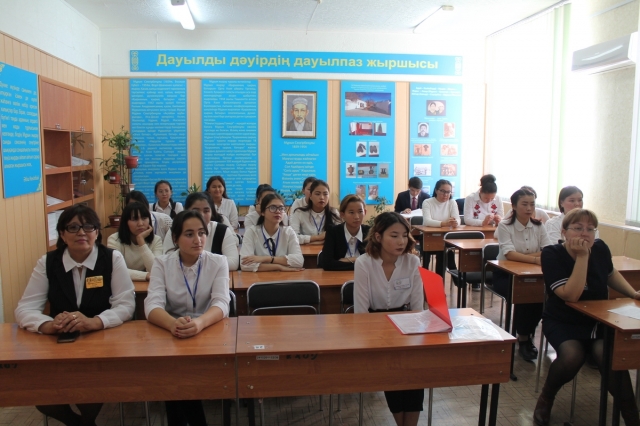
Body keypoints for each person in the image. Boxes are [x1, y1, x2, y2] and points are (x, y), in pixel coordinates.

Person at [15, 205, 135, 426]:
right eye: (73, 227)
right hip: (59, 346)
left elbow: (126, 304)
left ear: (97, 232)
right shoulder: (48, 262)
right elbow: (24, 308)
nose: (81, 233)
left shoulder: (112, 259)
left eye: (88, 227)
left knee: (89, 391)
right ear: (62, 234)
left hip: (101, 345)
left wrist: (96, 322)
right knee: (40, 396)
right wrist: (47, 325)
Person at [535, 209, 640, 426]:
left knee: (608, 355)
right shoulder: (552, 254)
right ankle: (546, 397)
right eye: (578, 228)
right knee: (572, 355)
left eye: (590, 229)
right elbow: (571, 295)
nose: (585, 233)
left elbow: (611, 273)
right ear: (564, 231)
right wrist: (583, 257)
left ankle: (631, 415)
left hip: (598, 320)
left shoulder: (600, 248)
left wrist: (633, 293)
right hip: (563, 320)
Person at [145, 210, 230, 426]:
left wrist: (199, 323)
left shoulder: (218, 262)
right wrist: (172, 324)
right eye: (189, 234)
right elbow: (152, 305)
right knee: (175, 373)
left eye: (201, 233)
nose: (198, 239)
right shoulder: (162, 263)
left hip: (208, 333)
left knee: (178, 379)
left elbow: (222, 302)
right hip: (172, 334)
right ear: (175, 238)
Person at [354, 212, 424, 426]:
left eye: (404, 235)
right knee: (392, 370)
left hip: (407, 322)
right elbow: (361, 311)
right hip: (374, 325)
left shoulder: (412, 261)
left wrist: (415, 335)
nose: (401, 241)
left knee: (414, 370)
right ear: (378, 236)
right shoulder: (364, 263)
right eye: (394, 236)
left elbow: (418, 307)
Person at [494, 188, 552, 361]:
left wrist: (523, 257)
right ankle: (524, 338)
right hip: (505, 274)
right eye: (524, 204)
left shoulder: (539, 226)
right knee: (525, 296)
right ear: (513, 206)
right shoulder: (505, 225)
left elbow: (548, 250)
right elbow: (509, 255)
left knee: (539, 296)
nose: (529, 208)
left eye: (532, 204)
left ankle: (526, 333)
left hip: (533, 274)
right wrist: (534, 259)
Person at [163, 192, 239, 271]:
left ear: (212, 212)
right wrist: (216, 264)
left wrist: (194, 265)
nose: (201, 215)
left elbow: (233, 263)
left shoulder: (222, 230)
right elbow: (168, 261)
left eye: (206, 211)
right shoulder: (175, 230)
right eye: (196, 211)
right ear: (186, 211)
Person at [240, 193, 304, 272]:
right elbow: (245, 264)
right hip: (259, 278)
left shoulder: (288, 232)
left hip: (284, 277)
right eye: (272, 208)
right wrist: (279, 267)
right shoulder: (252, 232)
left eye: (281, 208)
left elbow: (299, 261)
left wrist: (267, 259)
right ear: (262, 212)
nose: (278, 211)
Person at [107, 202, 163, 281]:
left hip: (147, 285)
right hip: (122, 283)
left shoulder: (156, 240)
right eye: (135, 219)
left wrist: (141, 241)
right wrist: (146, 275)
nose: (140, 224)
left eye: (144, 218)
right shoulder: (114, 239)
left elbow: (155, 269)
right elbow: (116, 269)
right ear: (125, 222)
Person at [320, 195, 370, 271]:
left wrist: (345, 260)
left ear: (365, 212)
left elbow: (375, 262)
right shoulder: (333, 232)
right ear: (342, 214)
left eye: (360, 212)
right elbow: (327, 264)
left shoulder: (370, 232)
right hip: (337, 276)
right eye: (351, 212)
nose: (357, 217)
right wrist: (359, 262)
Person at [421, 179, 460, 275]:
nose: (446, 194)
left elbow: (458, 220)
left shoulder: (452, 202)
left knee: (444, 253)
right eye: (443, 191)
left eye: (448, 192)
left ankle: (441, 279)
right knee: (435, 252)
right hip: (428, 236)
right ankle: (425, 279)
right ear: (436, 190)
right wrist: (444, 223)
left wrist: (455, 223)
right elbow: (427, 221)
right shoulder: (428, 202)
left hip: (445, 237)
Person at [289, 179, 341, 245]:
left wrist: (316, 242)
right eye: (317, 194)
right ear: (310, 196)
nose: (322, 197)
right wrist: (317, 238)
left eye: (325, 194)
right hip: (304, 251)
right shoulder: (299, 212)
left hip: (328, 250)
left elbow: (340, 236)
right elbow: (292, 237)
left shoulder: (334, 212)